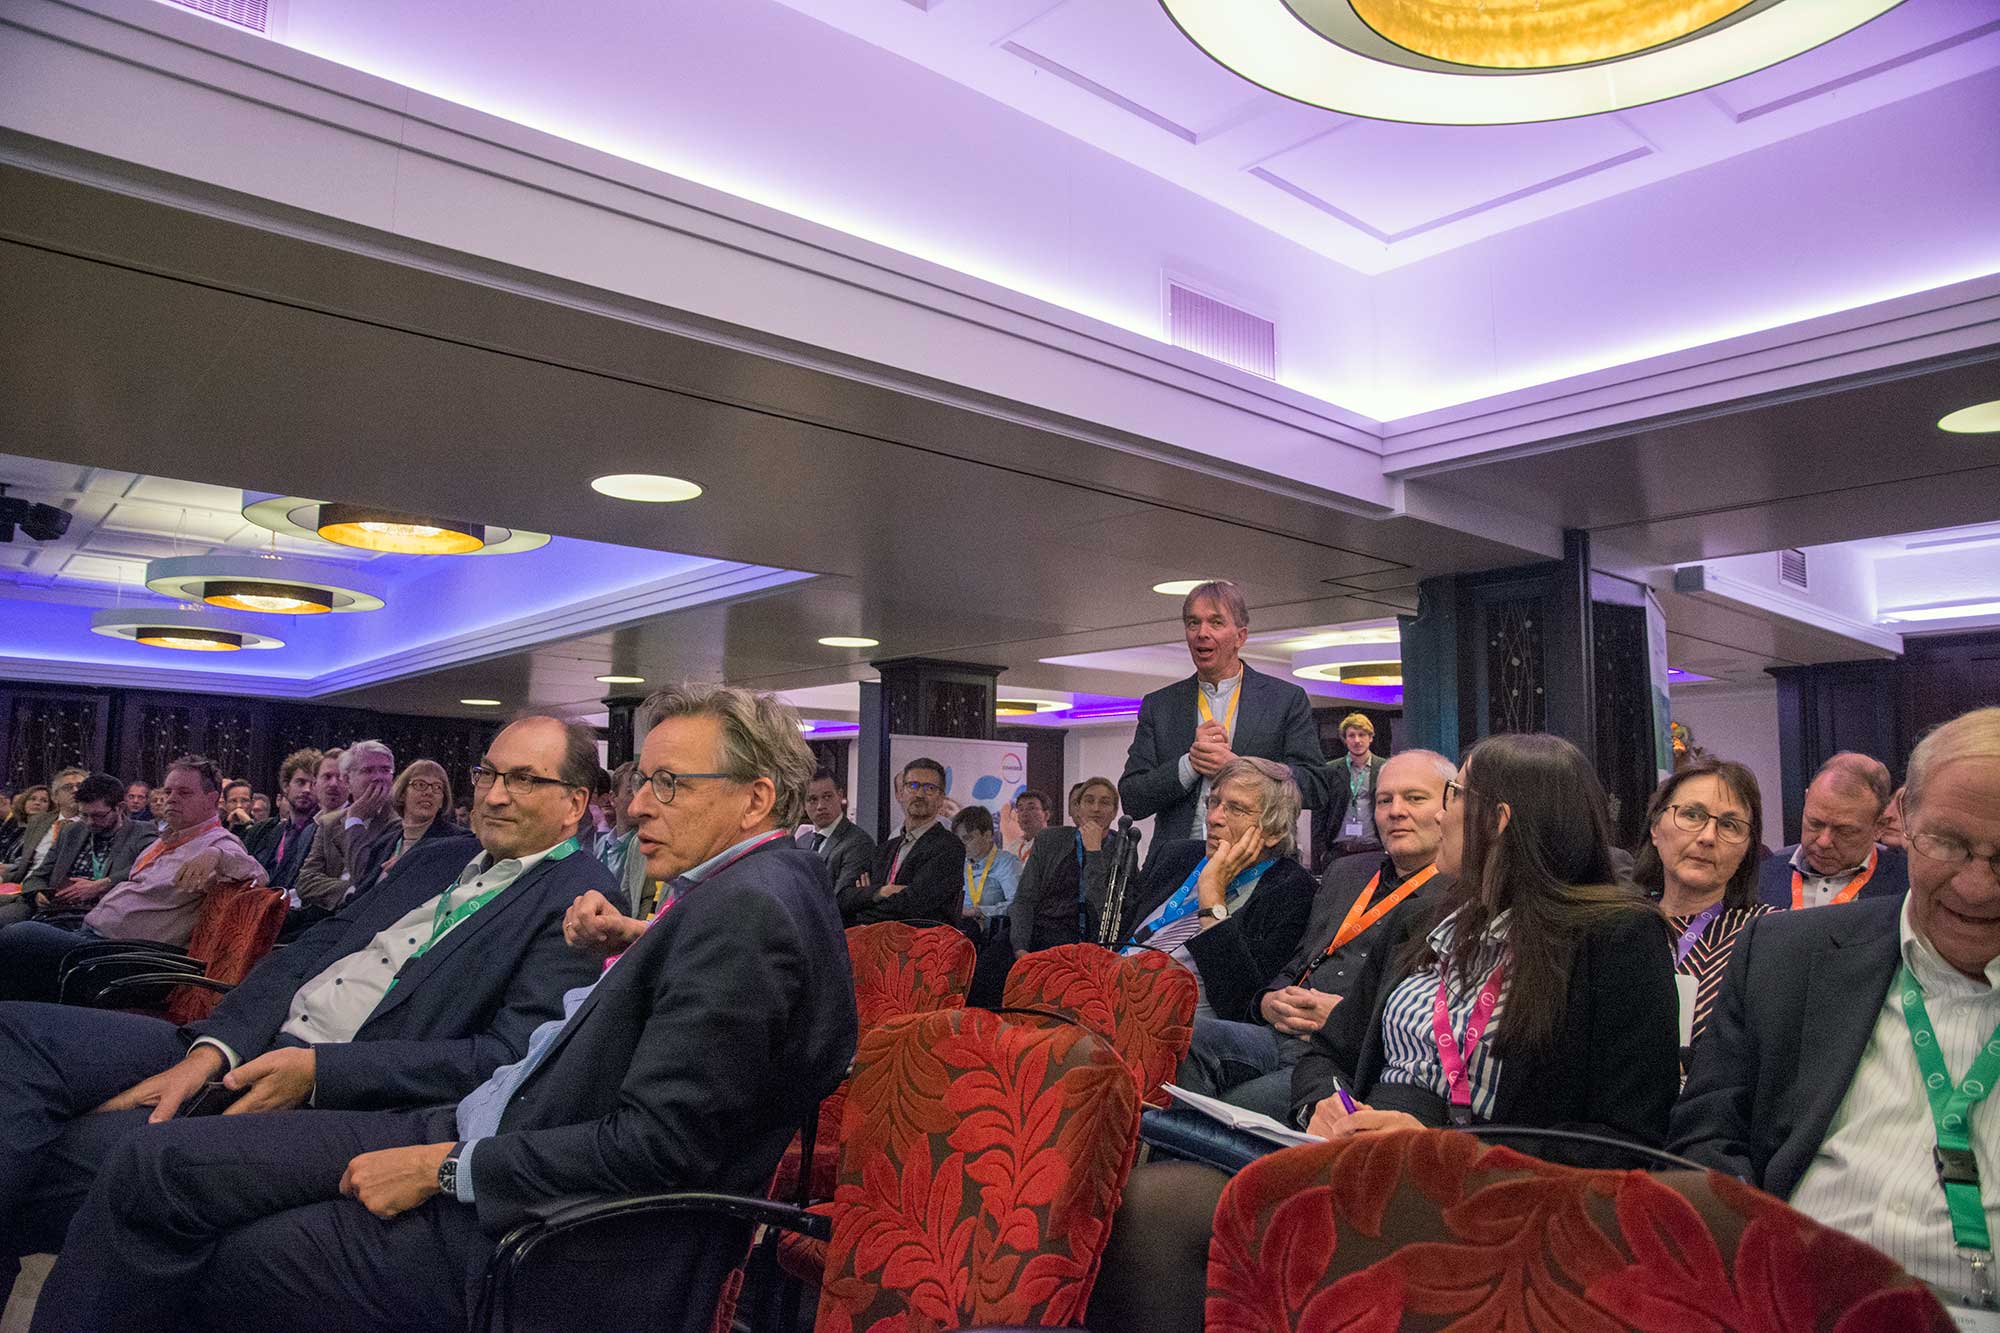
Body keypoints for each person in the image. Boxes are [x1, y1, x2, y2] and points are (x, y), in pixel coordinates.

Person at [29, 684, 857, 1333]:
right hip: (486, 1124)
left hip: (536, 1221)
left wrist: (445, 1167)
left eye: (669, 783)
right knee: (155, 1167)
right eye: (643, 780)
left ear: (756, 798)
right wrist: (642, 937)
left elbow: (657, 1144)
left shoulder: (747, 913)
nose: (638, 804)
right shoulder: (752, 888)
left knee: (221, 1239)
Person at [0, 715, 615, 1289]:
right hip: (246, 1038)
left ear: (574, 804)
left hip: (339, 1087)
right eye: (489, 774)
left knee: (79, 1161)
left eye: (525, 780)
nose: (496, 795)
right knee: (16, 1033)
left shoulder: (582, 899)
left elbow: (508, 1060)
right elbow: (312, 948)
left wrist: (320, 1071)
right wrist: (214, 1048)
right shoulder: (440, 857)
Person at [1672, 707, 2000, 1312]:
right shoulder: (1785, 957)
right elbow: (1706, 1137)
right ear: (1905, 820)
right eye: (1948, 844)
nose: (1976, 887)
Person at [1293, 734, 1679, 1163]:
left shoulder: (1619, 937)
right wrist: (1323, 1103)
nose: (1440, 815)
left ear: (1498, 820)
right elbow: (1328, 1052)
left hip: (1494, 1185)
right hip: (1362, 1153)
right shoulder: (1419, 920)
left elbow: (1626, 1138)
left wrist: (1446, 1150)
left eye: (1454, 794)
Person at [1176, 751, 1455, 1120]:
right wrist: (1268, 1000)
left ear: (1450, 807)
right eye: (1384, 800)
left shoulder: (1459, 895)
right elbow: (1300, 959)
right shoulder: (1346, 872)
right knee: (1179, 1041)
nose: (1396, 811)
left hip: (1348, 1055)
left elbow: (1435, 1018)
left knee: (1232, 1108)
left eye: (1414, 798)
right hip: (1280, 1032)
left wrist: (1345, 1019)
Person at [0, 756, 264, 1003]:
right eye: (168, 791)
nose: (171, 799)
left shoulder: (217, 843)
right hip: (92, 939)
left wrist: (217, 856)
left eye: (184, 793)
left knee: (17, 937)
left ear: (211, 799)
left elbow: (258, 876)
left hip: (124, 960)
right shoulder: (169, 840)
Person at [1119, 581, 1328, 863]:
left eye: (1216, 622)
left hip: (1257, 863)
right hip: (1177, 866)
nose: (1202, 633)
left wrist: (1241, 770)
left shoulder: (1285, 700)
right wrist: (1189, 765)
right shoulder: (1160, 705)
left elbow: (1316, 786)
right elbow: (1132, 798)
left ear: (1240, 636)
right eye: (1193, 623)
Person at [1108, 757, 1316, 1030]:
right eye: (1214, 802)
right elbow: (1117, 939)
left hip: (1181, 1028)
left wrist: (1212, 897)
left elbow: (1242, 1005)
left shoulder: (1292, 891)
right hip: (1111, 994)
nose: (1214, 818)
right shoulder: (1176, 855)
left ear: (1274, 831)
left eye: (1236, 809)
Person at [1629, 759, 1774, 1071]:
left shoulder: (1769, 938)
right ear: (1655, 828)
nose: (1708, 836)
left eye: (1729, 825)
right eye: (1692, 815)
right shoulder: (1616, 925)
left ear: (1748, 849)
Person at [1757, 751, 1909, 909]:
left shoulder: (1908, 886)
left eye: (1844, 831)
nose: (1823, 842)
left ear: (1879, 826)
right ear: (1806, 799)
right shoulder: (1760, 877)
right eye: (1815, 823)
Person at [5, 773, 158, 928]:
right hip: (54, 910)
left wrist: (102, 884)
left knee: (20, 933)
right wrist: (38, 893)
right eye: (84, 815)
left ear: (120, 808)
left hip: (101, 915)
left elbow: (151, 869)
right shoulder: (71, 831)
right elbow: (38, 876)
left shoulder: (141, 832)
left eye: (98, 815)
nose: (90, 822)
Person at [847, 757, 966, 925]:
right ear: (901, 793)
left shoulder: (949, 847)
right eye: (913, 786)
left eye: (930, 788)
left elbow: (913, 904)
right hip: (873, 935)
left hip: (919, 938)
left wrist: (866, 902)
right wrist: (881, 891)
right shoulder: (884, 849)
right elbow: (845, 897)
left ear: (941, 799)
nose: (919, 794)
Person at [1009, 777, 1119, 953]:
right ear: (1078, 809)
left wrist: (1094, 852)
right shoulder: (1050, 840)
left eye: (1104, 803)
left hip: (1091, 943)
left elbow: (1105, 910)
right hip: (1043, 933)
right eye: (1089, 801)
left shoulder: (1122, 848)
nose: (1096, 808)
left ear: (1114, 812)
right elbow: (1024, 898)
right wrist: (1020, 947)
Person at [290, 740, 397, 917]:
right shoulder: (330, 823)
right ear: (347, 780)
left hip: (373, 917)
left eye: (385, 770)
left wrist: (355, 820)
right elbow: (305, 882)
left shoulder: (403, 823)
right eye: (368, 770)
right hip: (328, 914)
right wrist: (349, 891)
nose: (378, 777)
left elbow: (367, 878)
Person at [347, 759, 466, 900]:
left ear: (442, 801)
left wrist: (411, 865)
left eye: (437, 787)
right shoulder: (384, 844)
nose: (429, 792)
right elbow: (363, 889)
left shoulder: (458, 840)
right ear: (403, 794)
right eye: (420, 785)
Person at [955, 803, 1022, 1006]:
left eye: (968, 838)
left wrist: (979, 911)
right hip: (962, 925)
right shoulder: (960, 864)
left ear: (987, 835)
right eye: (959, 839)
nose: (963, 845)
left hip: (993, 932)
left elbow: (1017, 904)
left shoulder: (1007, 863)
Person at [241, 748, 323, 893]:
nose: (307, 790)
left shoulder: (324, 833)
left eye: (313, 784)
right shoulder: (265, 831)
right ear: (286, 786)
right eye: (301, 782)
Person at [1312, 713, 1385, 872]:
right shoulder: (1330, 770)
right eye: (1351, 735)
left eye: (1362, 735)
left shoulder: (1385, 769)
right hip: (1339, 852)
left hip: (1374, 850)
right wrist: (1319, 853)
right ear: (1345, 740)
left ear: (1370, 738)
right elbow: (1320, 813)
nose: (1357, 740)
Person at [800, 769, 874, 907]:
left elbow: (842, 899)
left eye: (827, 797)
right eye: (812, 799)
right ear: (803, 804)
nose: (821, 806)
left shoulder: (858, 842)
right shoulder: (801, 842)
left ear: (840, 796)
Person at [4, 767, 86, 885]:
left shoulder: (93, 824)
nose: (75, 790)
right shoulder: (38, 821)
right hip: (25, 882)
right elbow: (24, 864)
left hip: (61, 886)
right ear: (55, 797)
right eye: (68, 787)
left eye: (81, 786)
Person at [1, 786, 51, 872]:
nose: (37, 803)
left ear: (50, 807)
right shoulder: (18, 827)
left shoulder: (48, 831)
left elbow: (32, 864)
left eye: (44, 801)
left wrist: (6, 868)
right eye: (32, 799)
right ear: (24, 803)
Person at [1008, 788, 1051, 860]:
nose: (1024, 813)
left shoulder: (1054, 845)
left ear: (1046, 815)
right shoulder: (1012, 847)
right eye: (1021, 809)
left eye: (1031, 808)